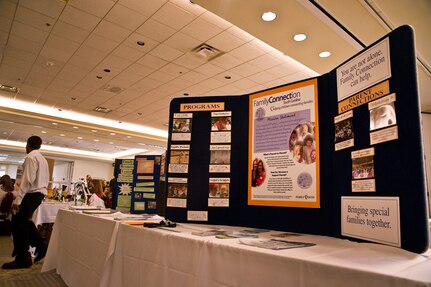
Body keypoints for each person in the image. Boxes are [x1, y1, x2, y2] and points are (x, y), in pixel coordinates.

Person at [2, 136, 49, 269]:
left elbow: (27, 180)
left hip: (32, 194)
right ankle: (39, 245)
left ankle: (24, 257)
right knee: (22, 221)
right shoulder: (42, 159)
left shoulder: (30, 157)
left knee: (18, 221)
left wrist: (18, 200)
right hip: (39, 194)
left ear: (27, 145)